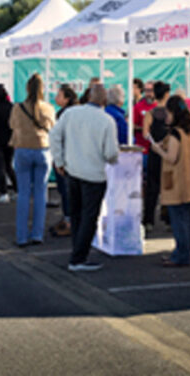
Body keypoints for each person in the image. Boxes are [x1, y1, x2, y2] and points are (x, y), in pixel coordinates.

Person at [49, 83, 119, 272]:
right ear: (104, 100)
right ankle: (79, 257)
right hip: (94, 175)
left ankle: (77, 253)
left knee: (76, 214)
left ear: (88, 97)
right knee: (89, 217)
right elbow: (111, 153)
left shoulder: (70, 113)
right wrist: (112, 158)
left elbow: (54, 135)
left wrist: (59, 161)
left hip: (72, 171)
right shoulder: (107, 121)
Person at [150, 95, 190, 267]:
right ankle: (181, 253)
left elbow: (171, 158)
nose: (166, 116)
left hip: (178, 182)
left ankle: (181, 256)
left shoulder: (175, 133)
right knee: (185, 219)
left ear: (173, 113)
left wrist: (158, 150)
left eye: (168, 112)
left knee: (179, 222)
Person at [9, 73, 56, 247]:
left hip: (22, 149)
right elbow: (53, 127)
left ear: (27, 88)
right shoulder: (48, 108)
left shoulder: (17, 108)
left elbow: (12, 125)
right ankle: (37, 234)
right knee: (40, 194)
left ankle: (21, 237)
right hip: (43, 150)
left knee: (23, 194)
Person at [49, 84, 78, 237]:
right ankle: (68, 218)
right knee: (66, 191)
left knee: (66, 191)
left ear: (67, 99)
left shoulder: (65, 114)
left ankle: (69, 221)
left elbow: (59, 137)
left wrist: (59, 160)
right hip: (72, 157)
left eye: (59, 95)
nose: (56, 98)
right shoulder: (72, 112)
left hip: (66, 158)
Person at [141, 81, 170, 232]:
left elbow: (145, 133)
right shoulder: (171, 113)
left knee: (152, 187)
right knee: (170, 186)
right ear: (166, 94)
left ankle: (148, 220)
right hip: (170, 152)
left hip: (154, 152)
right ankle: (169, 219)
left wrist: (154, 143)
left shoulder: (150, 113)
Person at [132, 79, 156, 172]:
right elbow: (132, 126)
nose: (148, 93)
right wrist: (144, 129)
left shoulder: (159, 106)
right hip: (142, 150)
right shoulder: (138, 107)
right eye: (146, 90)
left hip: (157, 150)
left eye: (150, 91)